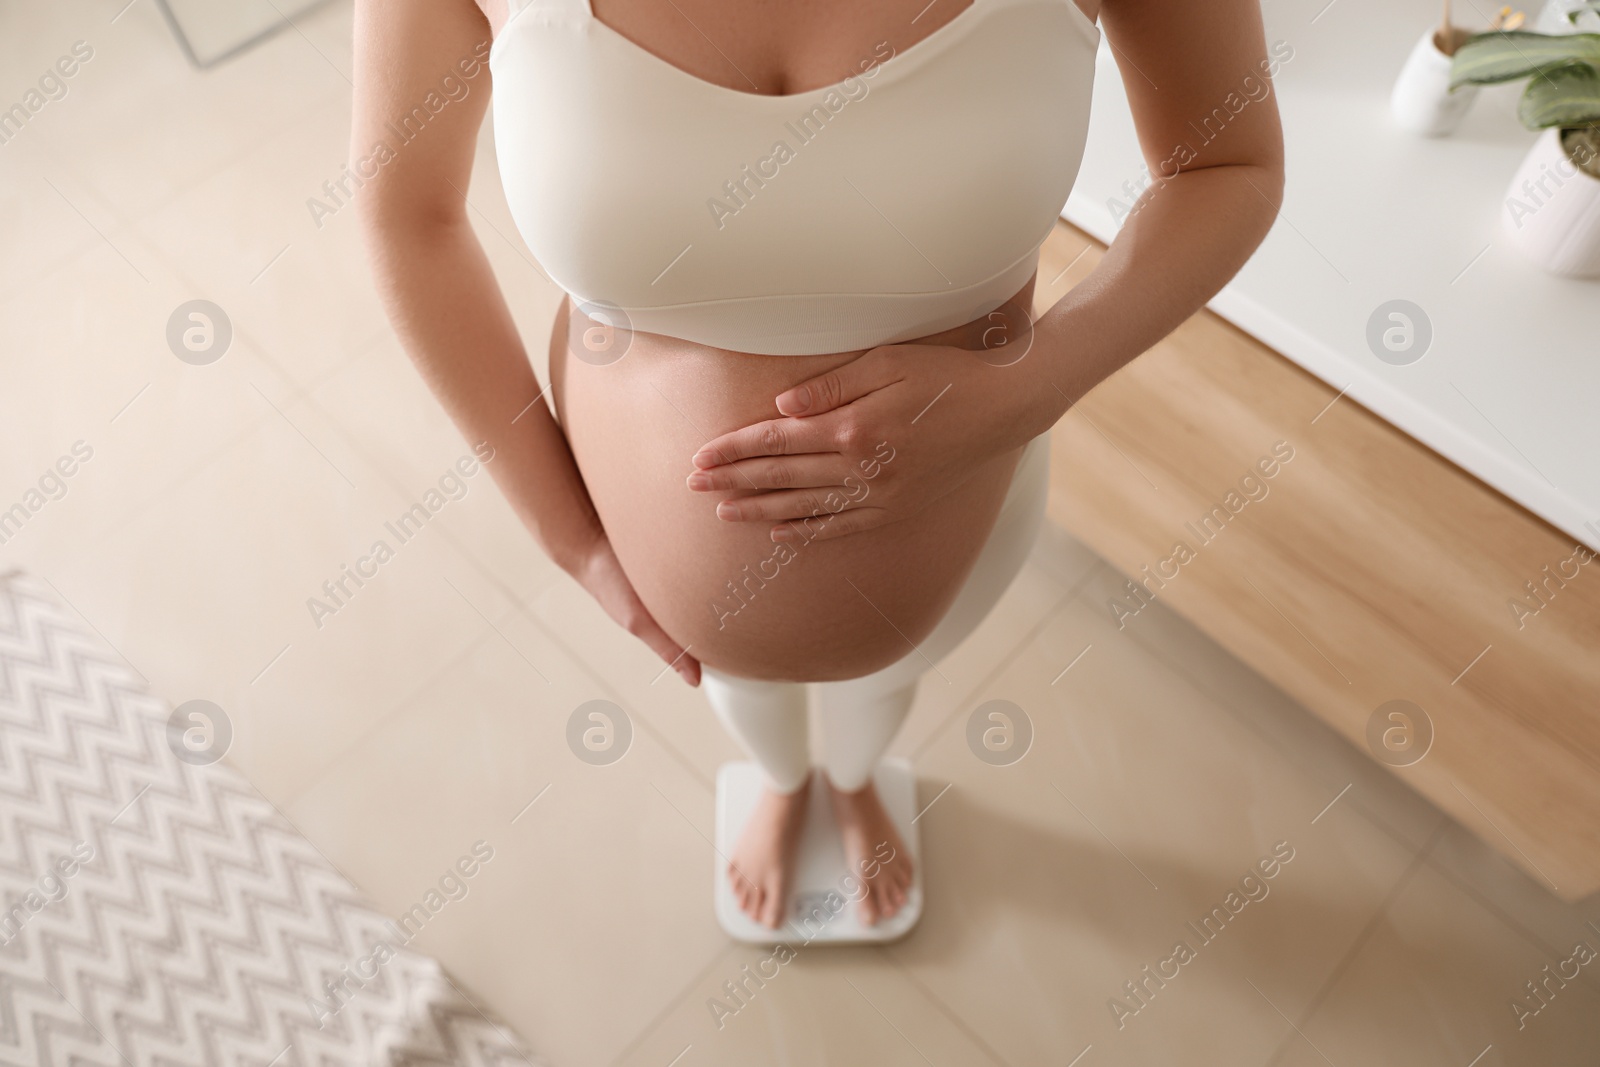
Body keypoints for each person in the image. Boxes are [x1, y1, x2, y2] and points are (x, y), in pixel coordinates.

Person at [354, 0, 1284, 931]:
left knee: (883, 684)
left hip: (965, 526)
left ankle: (850, 781)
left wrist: (1027, 391)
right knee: (740, 686)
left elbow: (1228, 166)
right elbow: (408, 218)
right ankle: (783, 781)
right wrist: (576, 543)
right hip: (659, 567)